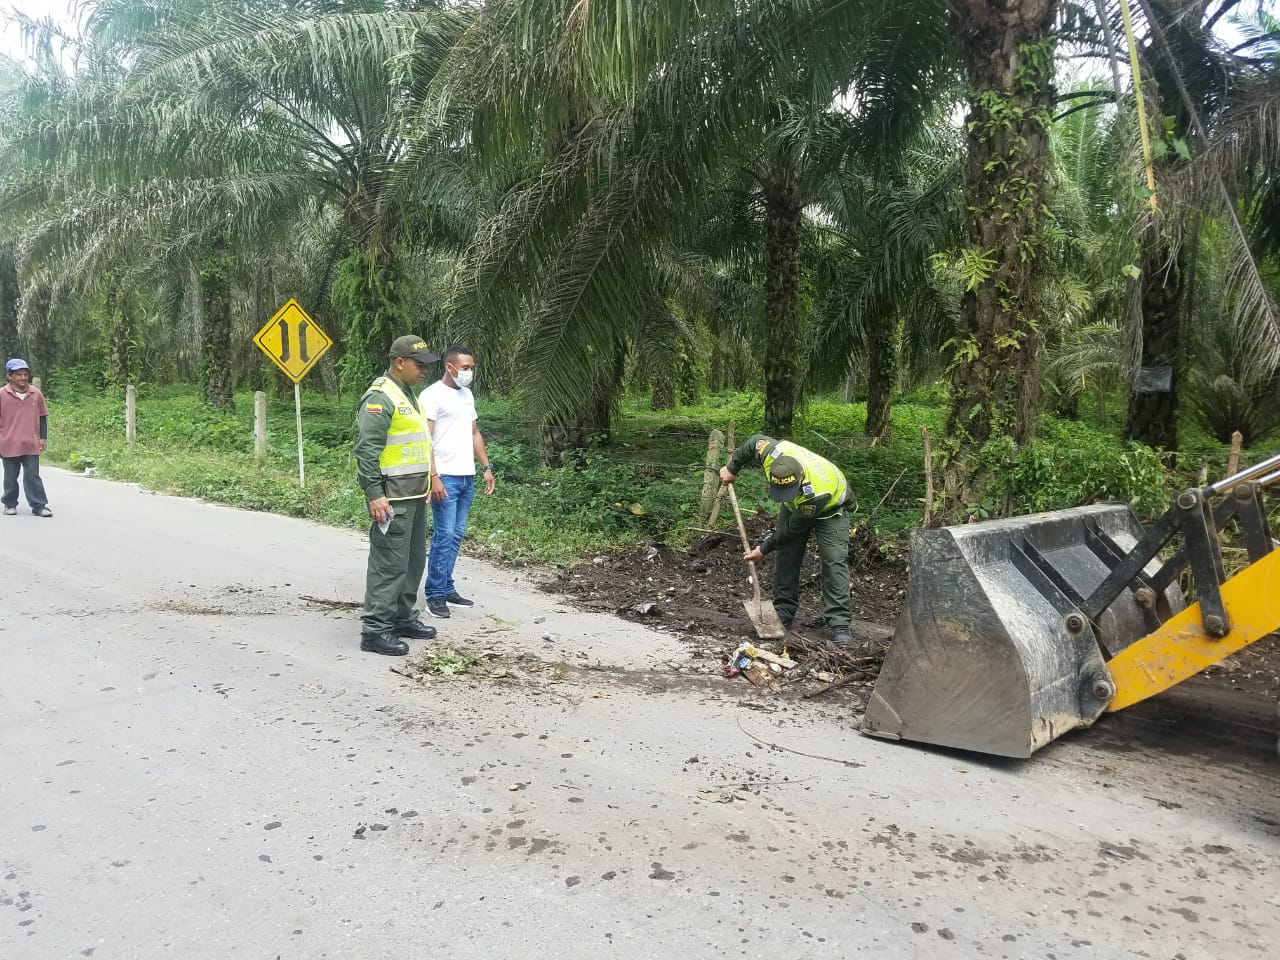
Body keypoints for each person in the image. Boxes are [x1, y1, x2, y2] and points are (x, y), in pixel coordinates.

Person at [720, 434, 855, 645]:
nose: (785, 496)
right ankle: (783, 611)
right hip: (799, 508)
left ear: (800, 478)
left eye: (789, 491)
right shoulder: (771, 453)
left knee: (833, 560)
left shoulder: (816, 493)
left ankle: (839, 623)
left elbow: (790, 531)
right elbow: (753, 442)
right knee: (786, 556)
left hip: (832, 511)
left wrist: (762, 549)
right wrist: (732, 468)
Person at [354, 336, 442, 656]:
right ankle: (375, 630)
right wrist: (374, 495)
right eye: (419, 365)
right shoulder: (380, 397)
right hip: (391, 499)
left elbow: (416, 445)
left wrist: (430, 481)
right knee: (389, 564)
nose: (424, 371)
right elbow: (366, 452)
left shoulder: (407, 394)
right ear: (400, 363)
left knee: (413, 561)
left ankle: (403, 617)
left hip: (414, 496)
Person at [419, 345, 495, 618]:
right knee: (444, 535)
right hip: (445, 477)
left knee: (456, 534)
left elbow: (474, 432)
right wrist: (434, 476)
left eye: (472, 368)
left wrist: (486, 467)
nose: (470, 372)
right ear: (449, 367)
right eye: (465, 368)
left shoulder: (467, 395)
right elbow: (424, 439)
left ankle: (447, 588)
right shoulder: (431, 396)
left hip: (466, 476)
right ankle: (435, 595)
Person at [1, 358, 52, 518]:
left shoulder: (35, 393)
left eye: (25, 374)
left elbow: (43, 416)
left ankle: (39, 505)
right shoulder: (2, 394)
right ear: (9, 376)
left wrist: (43, 437)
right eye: (18, 375)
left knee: (32, 476)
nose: (23, 378)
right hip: (8, 443)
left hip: (31, 443)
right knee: (10, 477)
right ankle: (9, 504)